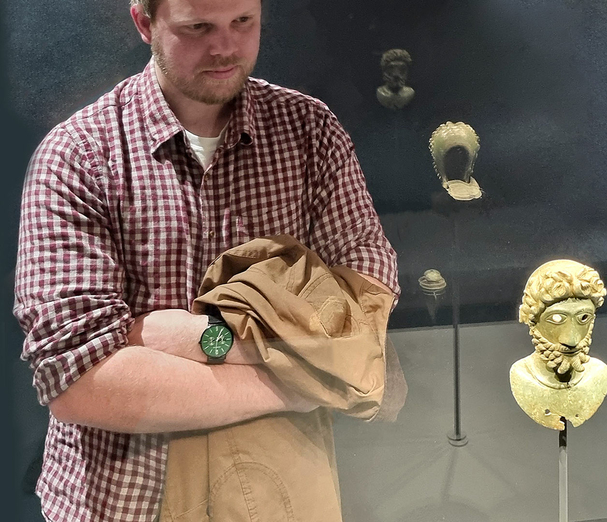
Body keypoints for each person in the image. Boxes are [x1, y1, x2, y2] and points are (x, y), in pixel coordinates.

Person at [12, 0, 399, 520]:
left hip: (279, 486)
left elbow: (365, 301)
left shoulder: (310, 132)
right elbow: (78, 382)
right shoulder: (78, 156)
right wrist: (308, 379)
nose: (225, 47)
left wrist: (170, 336)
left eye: (244, 22)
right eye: (198, 27)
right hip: (125, 496)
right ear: (144, 22)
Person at [510, 259, 607, 430]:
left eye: (583, 318)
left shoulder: (600, 374)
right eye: (556, 319)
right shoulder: (522, 376)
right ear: (533, 321)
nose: (571, 340)